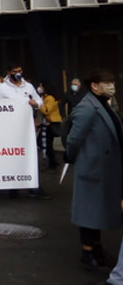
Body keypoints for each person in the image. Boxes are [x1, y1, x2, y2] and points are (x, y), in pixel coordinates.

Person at [65, 69, 123, 269]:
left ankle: (96, 248)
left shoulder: (105, 104)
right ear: (94, 86)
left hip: (104, 167)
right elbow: (74, 139)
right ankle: (88, 252)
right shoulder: (87, 107)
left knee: (98, 211)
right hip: (92, 167)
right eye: (107, 83)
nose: (112, 86)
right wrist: (72, 157)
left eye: (112, 82)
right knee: (89, 211)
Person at [0, 62, 50, 199]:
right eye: (15, 71)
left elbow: (38, 100)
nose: (18, 73)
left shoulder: (28, 86)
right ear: (9, 72)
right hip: (9, 129)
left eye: (20, 70)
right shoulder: (1, 89)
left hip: (26, 128)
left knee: (30, 156)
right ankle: (13, 186)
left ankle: (33, 187)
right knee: (12, 156)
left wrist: (36, 104)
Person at [37, 82, 62, 170]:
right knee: (47, 144)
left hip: (51, 123)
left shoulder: (50, 98)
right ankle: (52, 161)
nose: (39, 88)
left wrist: (39, 104)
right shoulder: (46, 97)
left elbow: (47, 110)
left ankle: (52, 162)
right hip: (48, 123)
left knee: (44, 143)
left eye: (41, 86)